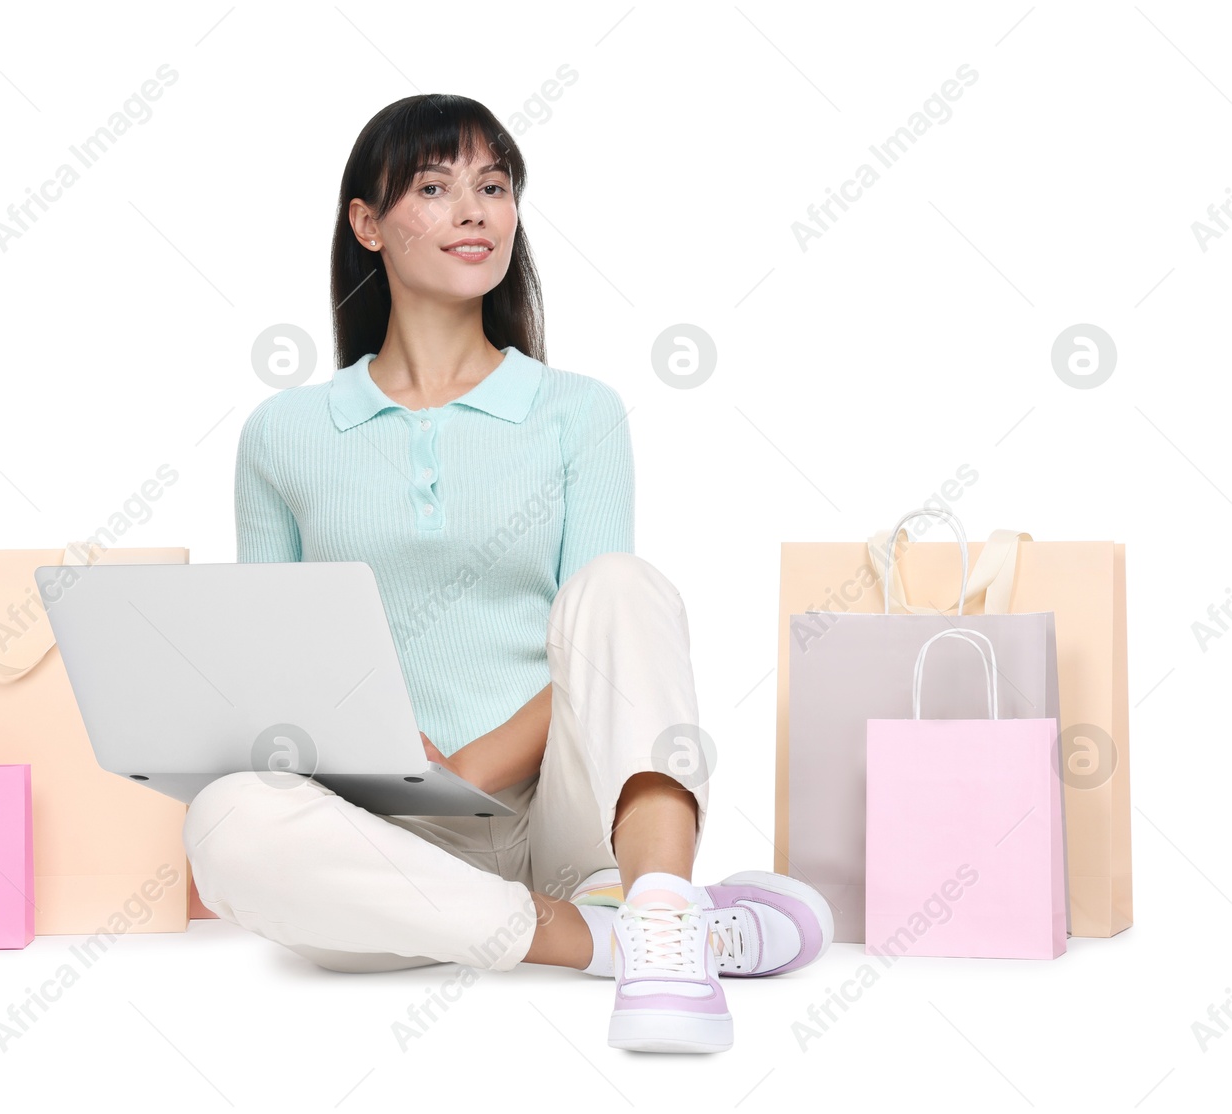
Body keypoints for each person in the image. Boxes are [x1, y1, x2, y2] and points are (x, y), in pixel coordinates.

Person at [184, 93, 832, 1054]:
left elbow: (600, 654)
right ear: (367, 225)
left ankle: (651, 893)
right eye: (435, 188)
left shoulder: (579, 412)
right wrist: (389, 787)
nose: (475, 209)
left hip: (567, 822)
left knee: (622, 586)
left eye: (494, 186)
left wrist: (461, 773)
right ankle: (641, 937)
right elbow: (276, 671)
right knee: (225, 819)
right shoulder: (285, 435)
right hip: (385, 847)